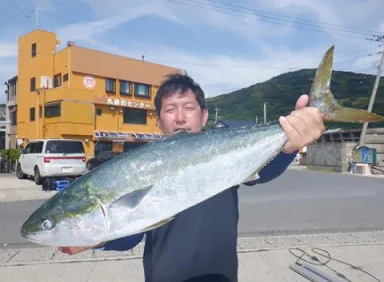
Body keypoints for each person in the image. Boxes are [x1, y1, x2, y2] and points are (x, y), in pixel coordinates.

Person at [59, 73, 325, 281]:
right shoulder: (141, 166)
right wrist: (100, 237)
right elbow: (131, 236)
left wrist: (288, 146)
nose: (180, 117)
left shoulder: (224, 151)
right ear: (158, 121)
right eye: (170, 109)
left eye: (188, 107)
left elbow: (264, 172)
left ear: (204, 115)